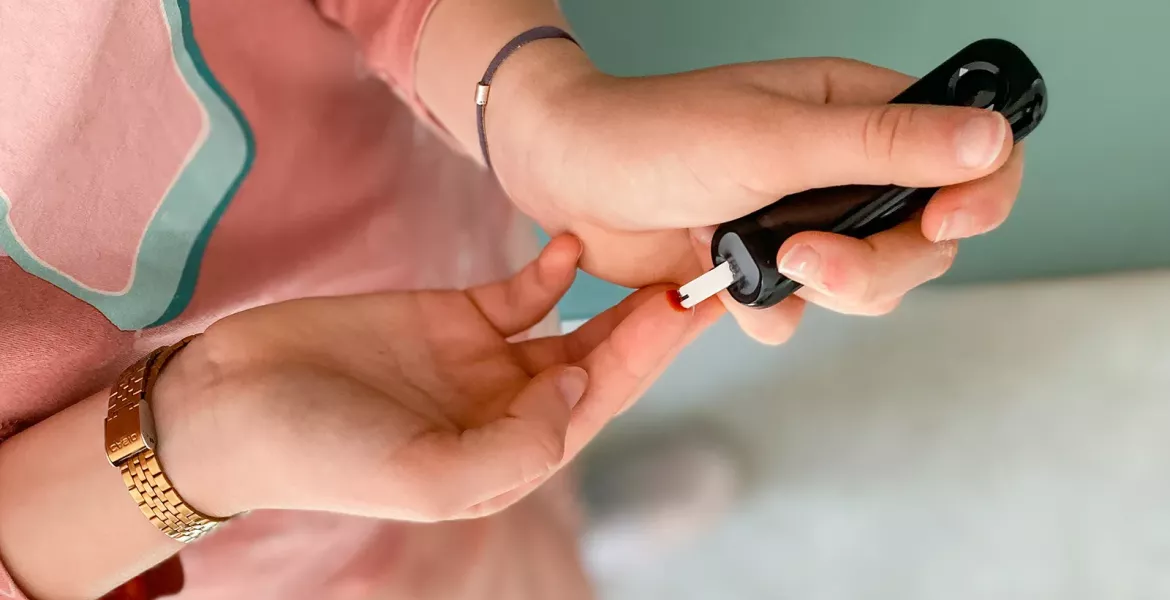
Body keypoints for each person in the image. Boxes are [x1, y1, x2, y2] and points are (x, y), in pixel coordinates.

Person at [0, 0, 1025, 598]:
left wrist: (535, 108)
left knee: (521, 431)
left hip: (418, 224)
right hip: (153, 566)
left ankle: (566, 524)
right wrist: (200, 438)